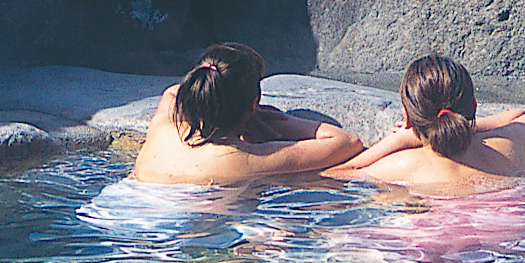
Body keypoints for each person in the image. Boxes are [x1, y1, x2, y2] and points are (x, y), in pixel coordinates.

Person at [132, 42, 363, 185]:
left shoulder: (163, 129)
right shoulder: (245, 158)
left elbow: (172, 93)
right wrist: (274, 119)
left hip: (119, 208)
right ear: (253, 105)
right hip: (191, 227)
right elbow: (347, 142)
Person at [327, 54, 525, 197]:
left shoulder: (401, 166)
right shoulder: (508, 146)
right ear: (474, 108)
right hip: (522, 218)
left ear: (408, 118)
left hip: (436, 235)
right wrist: (468, 125)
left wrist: (403, 138)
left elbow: (338, 173)